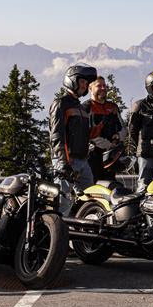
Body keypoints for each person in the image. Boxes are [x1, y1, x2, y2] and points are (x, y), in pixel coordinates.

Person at [49, 64, 98, 212]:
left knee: (91, 199)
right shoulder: (61, 104)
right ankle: (58, 232)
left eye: (86, 83)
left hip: (82, 161)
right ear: (72, 81)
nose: (85, 85)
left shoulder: (81, 107)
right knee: (62, 202)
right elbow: (57, 135)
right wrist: (64, 161)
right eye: (82, 82)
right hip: (66, 160)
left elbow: (84, 134)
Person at [82, 76, 125, 181]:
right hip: (92, 156)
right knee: (93, 187)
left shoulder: (113, 106)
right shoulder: (85, 107)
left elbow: (123, 128)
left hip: (111, 155)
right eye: (99, 86)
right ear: (90, 88)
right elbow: (83, 133)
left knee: (110, 187)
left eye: (104, 85)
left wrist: (118, 137)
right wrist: (103, 143)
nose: (103, 88)